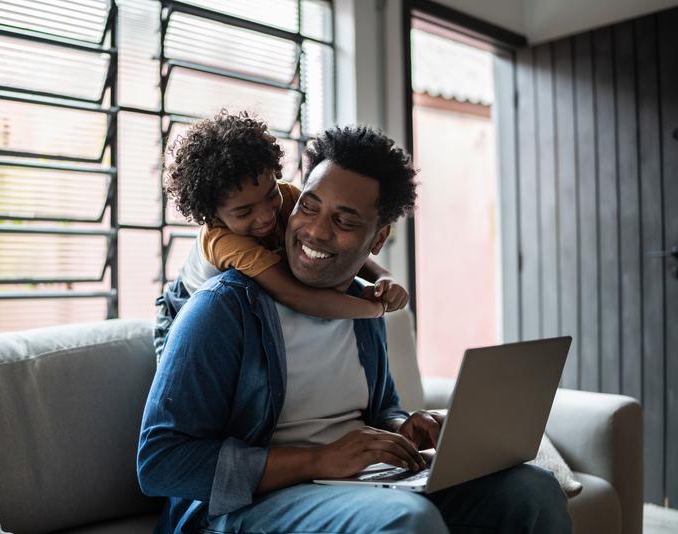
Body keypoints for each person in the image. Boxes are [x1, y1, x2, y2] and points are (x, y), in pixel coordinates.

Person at [138, 126, 572, 534]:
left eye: (344, 222)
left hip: (360, 488)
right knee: (407, 520)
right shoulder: (224, 309)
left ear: (377, 240)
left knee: (532, 491)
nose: (314, 230)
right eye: (308, 206)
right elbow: (162, 462)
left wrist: (404, 427)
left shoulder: (362, 306)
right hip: (246, 506)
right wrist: (320, 460)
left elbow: (382, 407)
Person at [153, 110, 408, 363]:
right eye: (244, 212)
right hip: (180, 311)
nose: (265, 216)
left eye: (270, 194)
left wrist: (383, 276)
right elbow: (294, 295)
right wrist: (374, 309)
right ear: (213, 215)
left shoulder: (291, 198)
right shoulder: (223, 240)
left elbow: (326, 244)